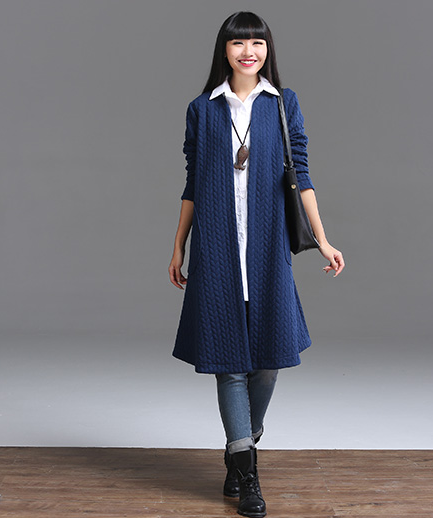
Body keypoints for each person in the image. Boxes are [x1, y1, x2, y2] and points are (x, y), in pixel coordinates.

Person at [168, 11, 344, 518]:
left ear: (267, 49)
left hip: (267, 249)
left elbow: (301, 175)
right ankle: (247, 474)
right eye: (238, 43)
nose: (249, 51)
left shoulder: (283, 105)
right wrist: (178, 246)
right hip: (217, 250)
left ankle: (240, 442)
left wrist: (323, 240)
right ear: (224, 50)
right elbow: (192, 185)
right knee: (229, 364)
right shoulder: (202, 109)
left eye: (257, 42)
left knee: (267, 363)